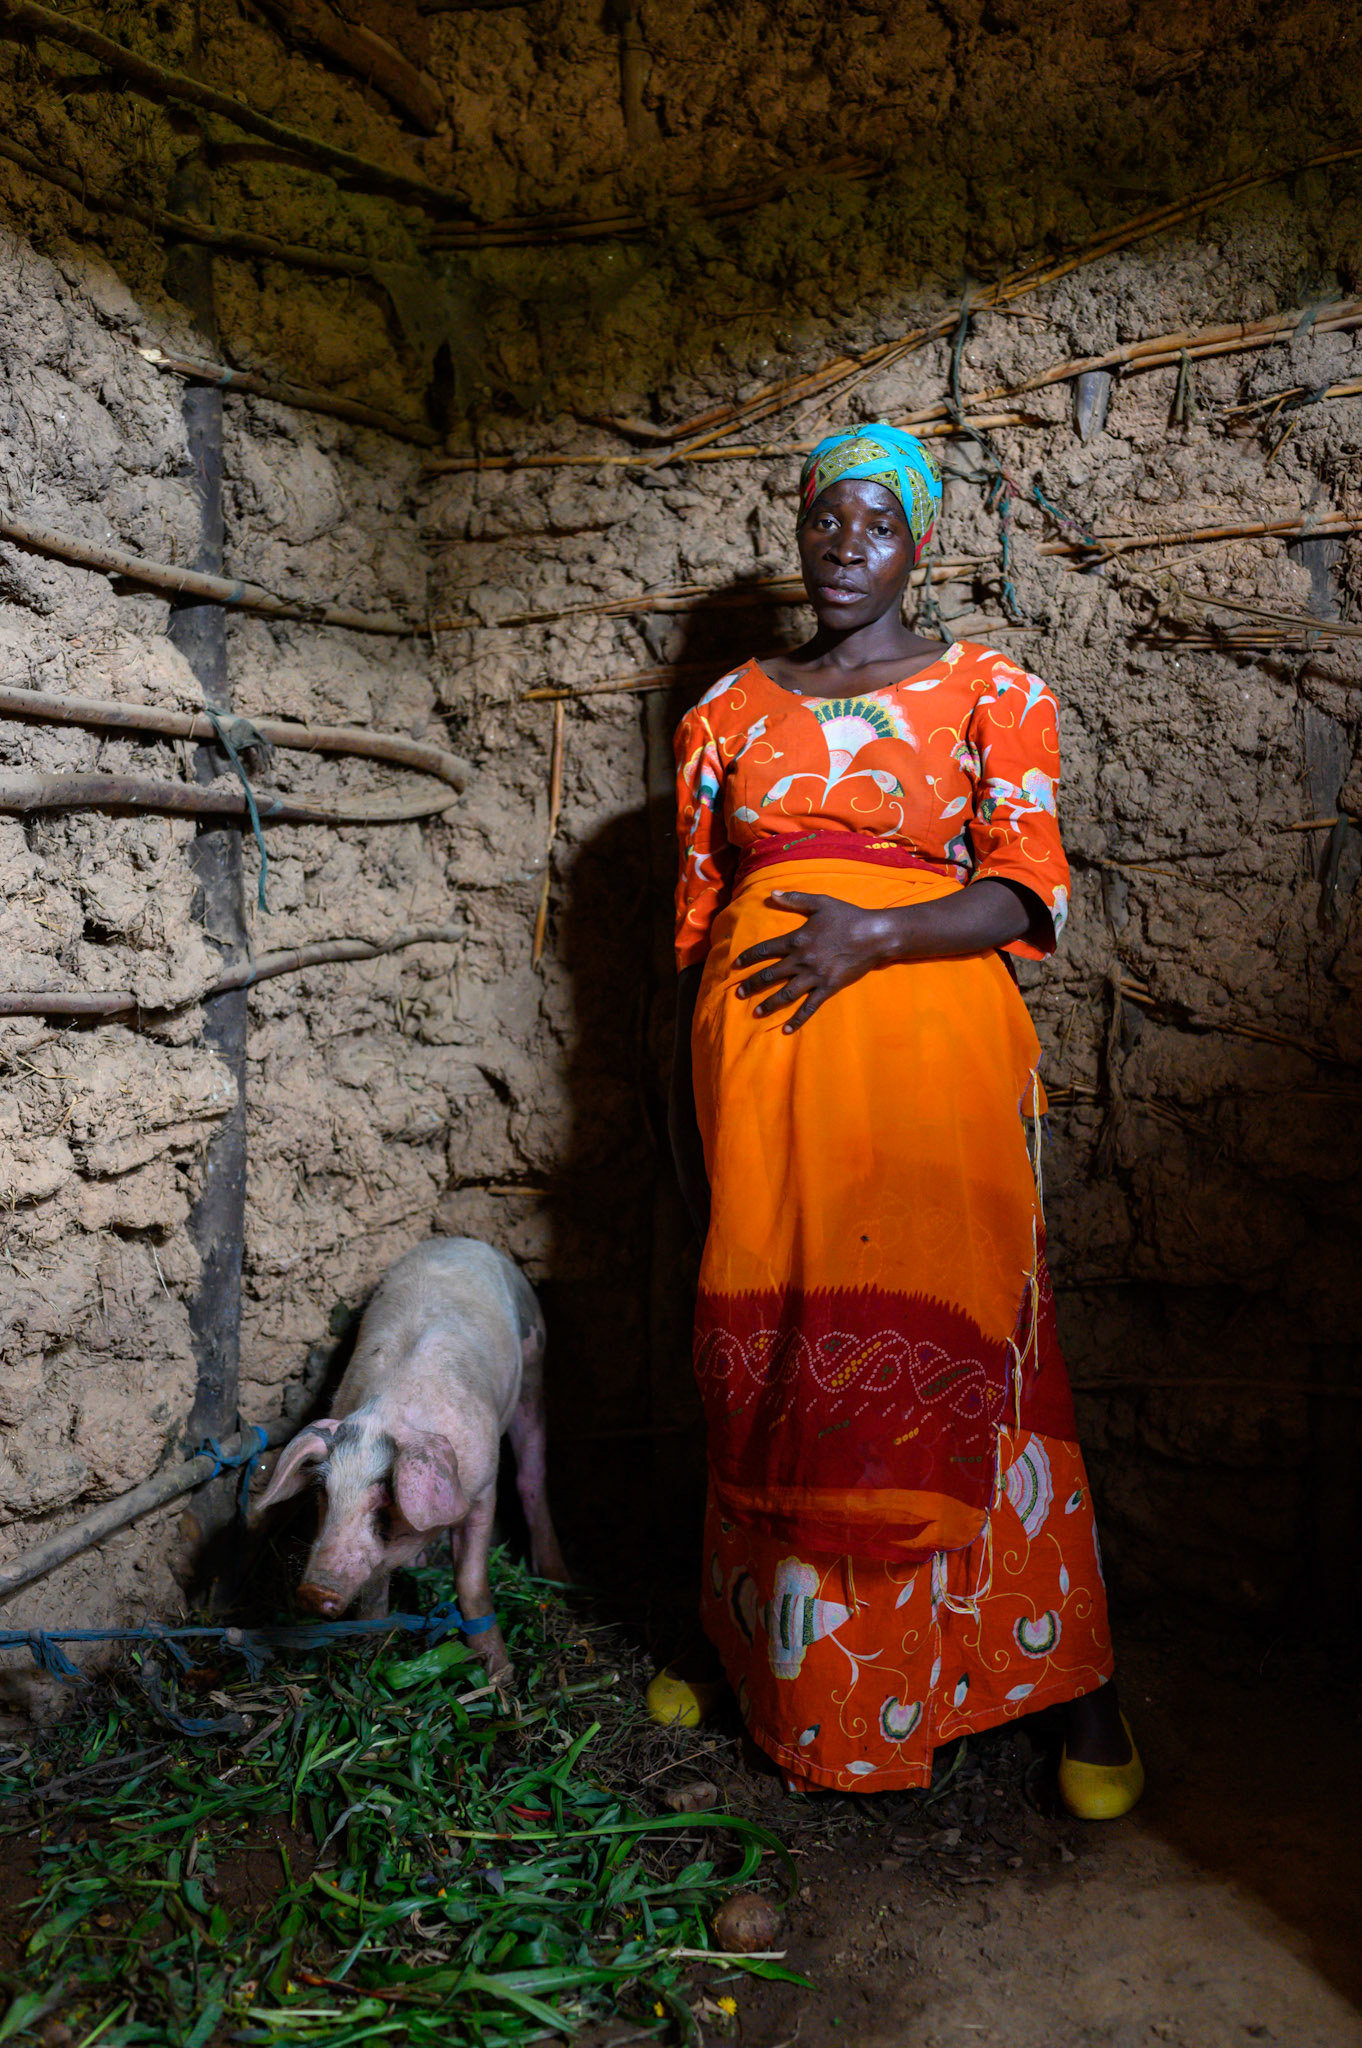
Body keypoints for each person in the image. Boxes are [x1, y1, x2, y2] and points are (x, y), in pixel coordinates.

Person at [654, 423, 1143, 1820]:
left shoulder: (992, 691)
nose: (847, 547)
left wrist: (870, 937)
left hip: (929, 1054)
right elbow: (692, 933)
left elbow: (1023, 892)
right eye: (827, 522)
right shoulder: (725, 715)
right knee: (775, 1339)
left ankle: (1067, 1687)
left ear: (918, 541)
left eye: (878, 524)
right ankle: (754, 1656)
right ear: (801, 533)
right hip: (762, 1077)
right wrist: (682, 1108)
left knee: (974, 1334)